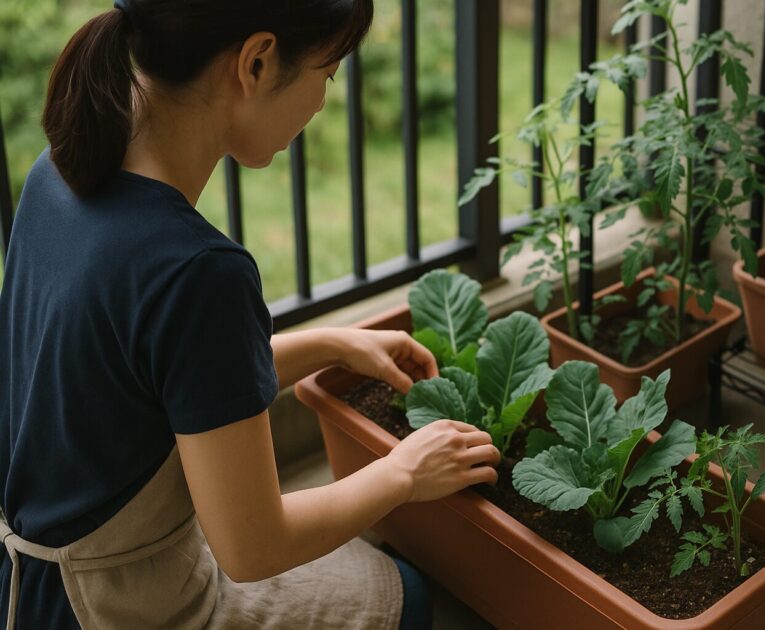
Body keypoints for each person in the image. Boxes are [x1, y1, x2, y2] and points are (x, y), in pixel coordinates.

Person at [0, 1, 501, 628]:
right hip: (117, 606)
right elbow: (254, 548)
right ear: (257, 62)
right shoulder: (199, 271)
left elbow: (154, 382)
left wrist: (329, 344)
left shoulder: (60, 171)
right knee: (408, 594)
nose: (323, 100)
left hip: (36, 585)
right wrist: (402, 472)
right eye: (329, 70)